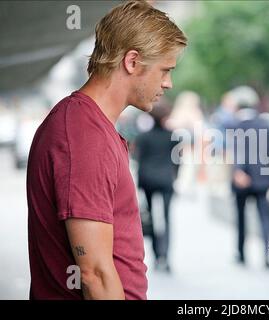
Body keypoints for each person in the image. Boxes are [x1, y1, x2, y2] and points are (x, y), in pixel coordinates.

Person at [26, 1, 187, 299]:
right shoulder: (83, 135)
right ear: (132, 62)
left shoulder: (88, 125)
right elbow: (94, 274)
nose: (168, 83)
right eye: (165, 70)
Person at [230, 86, 269, 269]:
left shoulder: (235, 125)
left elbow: (237, 152)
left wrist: (238, 171)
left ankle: (241, 254)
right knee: (264, 216)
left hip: (241, 178)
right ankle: (266, 256)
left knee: (241, 217)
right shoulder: (265, 124)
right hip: (262, 178)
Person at [134, 103, 179, 273]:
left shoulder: (143, 137)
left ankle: (156, 255)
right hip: (166, 180)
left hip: (148, 180)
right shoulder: (173, 136)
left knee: (152, 218)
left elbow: (139, 160)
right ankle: (165, 256)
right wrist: (175, 177)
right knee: (167, 219)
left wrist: (139, 184)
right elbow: (177, 161)